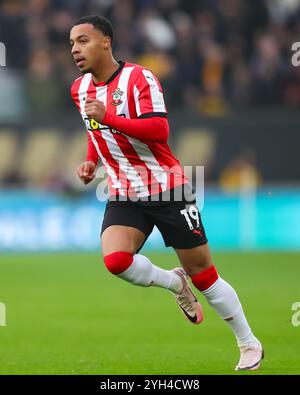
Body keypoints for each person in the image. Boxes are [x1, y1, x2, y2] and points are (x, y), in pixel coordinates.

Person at [69, 15, 263, 371]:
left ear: (106, 42)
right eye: (72, 44)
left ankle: (249, 343)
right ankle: (174, 283)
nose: (75, 50)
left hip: (167, 188)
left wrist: (110, 116)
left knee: (204, 274)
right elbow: (93, 130)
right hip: (124, 191)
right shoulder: (79, 89)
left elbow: (159, 130)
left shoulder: (139, 78)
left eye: (83, 40)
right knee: (115, 261)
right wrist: (90, 161)